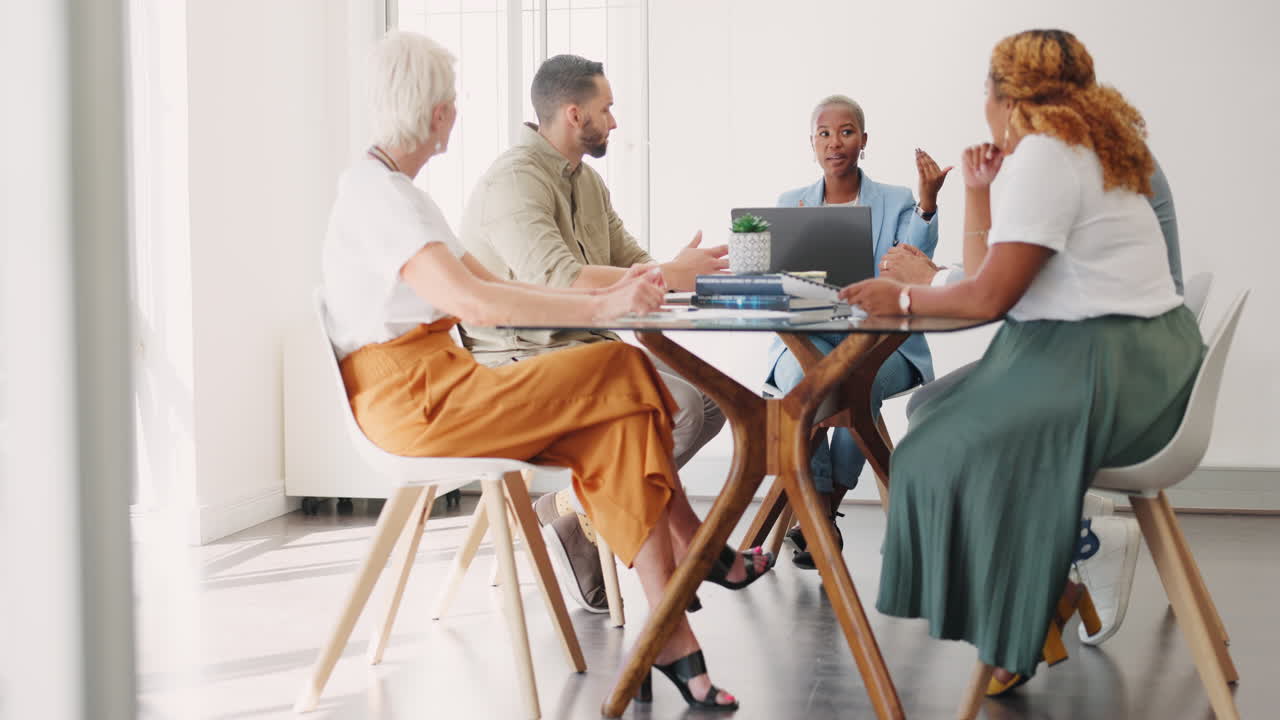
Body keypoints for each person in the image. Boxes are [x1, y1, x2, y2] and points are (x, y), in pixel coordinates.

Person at [324, 31, 771, 710]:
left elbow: (488, 282)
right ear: (437, 112)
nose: (456, 111)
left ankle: (670, 638)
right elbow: (477, 301)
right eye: (451, 100)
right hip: (418, 402)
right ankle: (704, 550)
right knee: (623, 366)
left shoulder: (400, 193)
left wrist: (610, 296)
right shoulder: (379, 197)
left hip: (443, 384)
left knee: (619, 429)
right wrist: (603, 301)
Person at [840, 29, 1203, 694]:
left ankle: (1035, 596)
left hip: (1104, 366)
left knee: (931, 449)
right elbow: (995, 282)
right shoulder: (1102, 141)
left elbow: (989, 297)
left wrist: (903, 295)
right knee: (939, 410)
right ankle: (1043, 590)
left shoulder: (1048, 154)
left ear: (1002, 97)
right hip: (1149, 360)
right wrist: (978, 194)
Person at [457, 54, 729, 612]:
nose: (615, 121)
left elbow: (633, 264)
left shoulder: (589, 185)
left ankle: (572, 511)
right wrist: (666, 274)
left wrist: (680, 270)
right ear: (575, 114)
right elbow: (559, 280)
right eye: (608, 109)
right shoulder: (514, 180)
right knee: (677, 405)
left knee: (714, 401)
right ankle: (609, 528)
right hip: (523, 361)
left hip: (584, 350)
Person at [880, 157, 1185, 648]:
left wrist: (930, 279)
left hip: (1102, 373)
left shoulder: (1078, 170)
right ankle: (1072, 516)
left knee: (942, 430)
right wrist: (942, 271)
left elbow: (1006, 293)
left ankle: (1081, 538)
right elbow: (1018, 277)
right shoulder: (1098, 155)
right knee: (928, 405)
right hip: (1103, 355)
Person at [764, 94, 951, 569]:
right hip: (805, 337)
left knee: (853, 384)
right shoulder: (791, 204)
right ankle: (822, 513)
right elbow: (781, 285)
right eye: (824, 134)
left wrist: (927, 204)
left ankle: (822, 512)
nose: (835, 143)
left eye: (846, 132)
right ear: (811, 144)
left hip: (882, 344)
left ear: (863, 140)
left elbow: (914, 258)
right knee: (797, 385)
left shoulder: (896, 200)